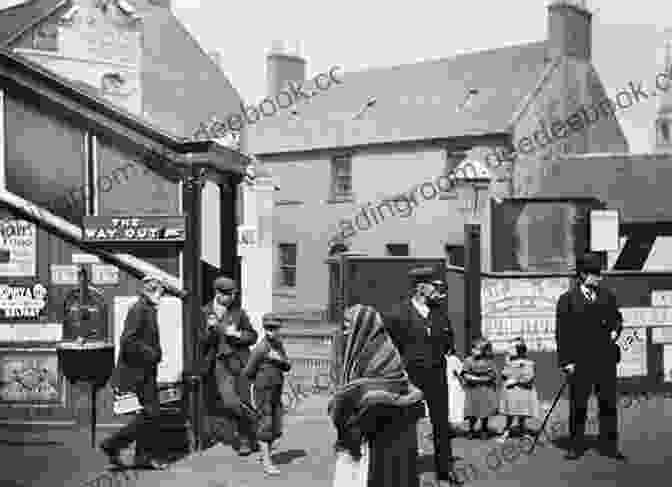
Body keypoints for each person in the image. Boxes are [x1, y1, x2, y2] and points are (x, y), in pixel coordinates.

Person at [329, 304, 425, 487]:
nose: (345, 330)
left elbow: (386, 391)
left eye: (349, 324)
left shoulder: (383, 351)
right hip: (356, 433)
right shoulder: (350, 350)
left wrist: (351, 404)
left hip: (381, 434)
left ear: (363, 326)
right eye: (345, 324)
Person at [383, 266, 461, 486]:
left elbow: (449, 341)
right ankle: (406, 470)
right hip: (410, 375)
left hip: (436, 373)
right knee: (406, 422)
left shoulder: (439, 311)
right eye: (432, 285)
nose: (436, 289)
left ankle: (445, 470)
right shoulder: (398, 313)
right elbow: (391, 347)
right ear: (420, 287)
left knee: (441, 423)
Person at [555, 252, 626, 461]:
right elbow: (562, 333)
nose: (599, 278)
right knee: (578, 405)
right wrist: (566, 362)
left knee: (608, 405)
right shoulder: (567, 300)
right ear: (583, 275)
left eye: (599, 274)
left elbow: (618, 319)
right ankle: (575, 446)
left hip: (605, 360)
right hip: (580, 363)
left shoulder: (608, 296)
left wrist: (616, 330)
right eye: (595, 274)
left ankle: (609, 446)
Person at [101, 275, 168, 470]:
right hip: (137, 372)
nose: (161, 296)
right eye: (160, 292)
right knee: (151, 414)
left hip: (144, 371)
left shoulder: (147, 309)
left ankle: (134, 454)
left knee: (149, 415)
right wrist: (152, 353)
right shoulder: (139, 309)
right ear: (150, 291)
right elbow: (127, 341)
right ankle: (114, 445)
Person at [199, 276, 259, 455]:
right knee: (231, 402)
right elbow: (199, 342)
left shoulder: (238, 313)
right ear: (218, 293)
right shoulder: (204, 312)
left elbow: (253, 336)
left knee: (243, 399)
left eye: (234, 294)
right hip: (219, 364)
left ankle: (245, 440)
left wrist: (238, 334)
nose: (233, 297)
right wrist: (210, 331)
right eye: (229, 294)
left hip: (239, 361)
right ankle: (257, 422)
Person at [243, 316, 292, 476]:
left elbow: (287, 366)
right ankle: (266, 462)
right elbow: (248, 371)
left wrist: (280, 359)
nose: (272, 332)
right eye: (269, 329)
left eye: (275, 329)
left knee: (276, 424)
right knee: (266, 424)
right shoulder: (261, 348)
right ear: (265, 329)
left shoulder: (278, 346)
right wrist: (256, 386)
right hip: (263, 391)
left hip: (276, 391)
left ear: (279, 330)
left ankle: (266, 456)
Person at [497, 337, 540, 442]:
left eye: (511, 348)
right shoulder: (509, 363)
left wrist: (515, 381)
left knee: (522, 413)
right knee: (510, 413)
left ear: (519, 351)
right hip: (511, 393)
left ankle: (522, 430)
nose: (508, 350)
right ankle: (507, 430)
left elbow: (529, 377)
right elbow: (503, 375)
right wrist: (506, 364)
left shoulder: (528, 363)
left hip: (523, 392)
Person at [461, 338, 498, 440]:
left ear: (484, 350)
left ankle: (484, 429)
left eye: (476, 349)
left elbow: (492, 376)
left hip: (485, 390)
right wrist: (479, 379)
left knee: (484, 411)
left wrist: (477, 379)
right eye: (473, 348)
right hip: (473, 391)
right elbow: (465, 374)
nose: (473, 351)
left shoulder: (489, 362)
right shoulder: (468, 360)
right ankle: (471, 429)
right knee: (472, 412)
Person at [445, 345, 465, 431]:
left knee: (449, 405)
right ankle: (453, 427)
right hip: (454, 385)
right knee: (455, 405)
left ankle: (449, 426)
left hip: (447, 384)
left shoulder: (443, 358)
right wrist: (463, 383)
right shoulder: (453, 359)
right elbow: (459, 372)